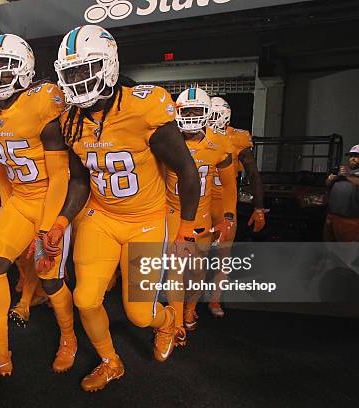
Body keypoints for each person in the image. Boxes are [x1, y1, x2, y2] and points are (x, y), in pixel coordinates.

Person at [53, 25, 200, 391]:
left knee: (138, 314)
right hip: (101, 217)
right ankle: (110, 362)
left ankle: (167, 320)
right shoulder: (70, 120)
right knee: (86, 299)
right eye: (71, 73)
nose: (78, 80)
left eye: (86, 69)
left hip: (147, 220)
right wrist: (59, 221)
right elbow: (79, 180)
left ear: (110, 66)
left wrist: (185, 226)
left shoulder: (143, 106)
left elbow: (186, 168)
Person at [0, 33, 77, 378]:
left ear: (25, 70)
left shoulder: (43, 103)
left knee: (50, 277)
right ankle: (0, 355)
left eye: (5, 65)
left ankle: (69, 339)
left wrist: (47, 228)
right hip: (20, 200)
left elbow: (60, 177)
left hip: (48, 200)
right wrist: (7, 202)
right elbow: (1, 161)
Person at [171, 88, 238, 330]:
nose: (189, 116)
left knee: (197, 272)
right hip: (171, 215)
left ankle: (189, 309)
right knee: (174, 273)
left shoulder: (220, 143)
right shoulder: (167, 139)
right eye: (185, 110)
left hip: (201, 216)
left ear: (206, 113)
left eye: (195, 111)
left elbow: (230, 187)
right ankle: (175, 321)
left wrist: (228, 217)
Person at [207, 96, 267, 317]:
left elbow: (253, 174)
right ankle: (186, 303)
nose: (207, 120)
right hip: (200, 202)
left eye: (212, 115)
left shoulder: (237, 138)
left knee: (223, 256)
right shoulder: (196, 134)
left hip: (224, 204)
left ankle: (215, 300)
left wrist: (258, 207)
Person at [324, 144, 359, 242]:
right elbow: (327, 184)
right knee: (329, 244)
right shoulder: (343, 169)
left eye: (356, 156)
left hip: (351, 218)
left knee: (345, 250)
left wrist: (347, 176)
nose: (352, 158)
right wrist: (330, 179)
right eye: (351, 156)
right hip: (332, 214)